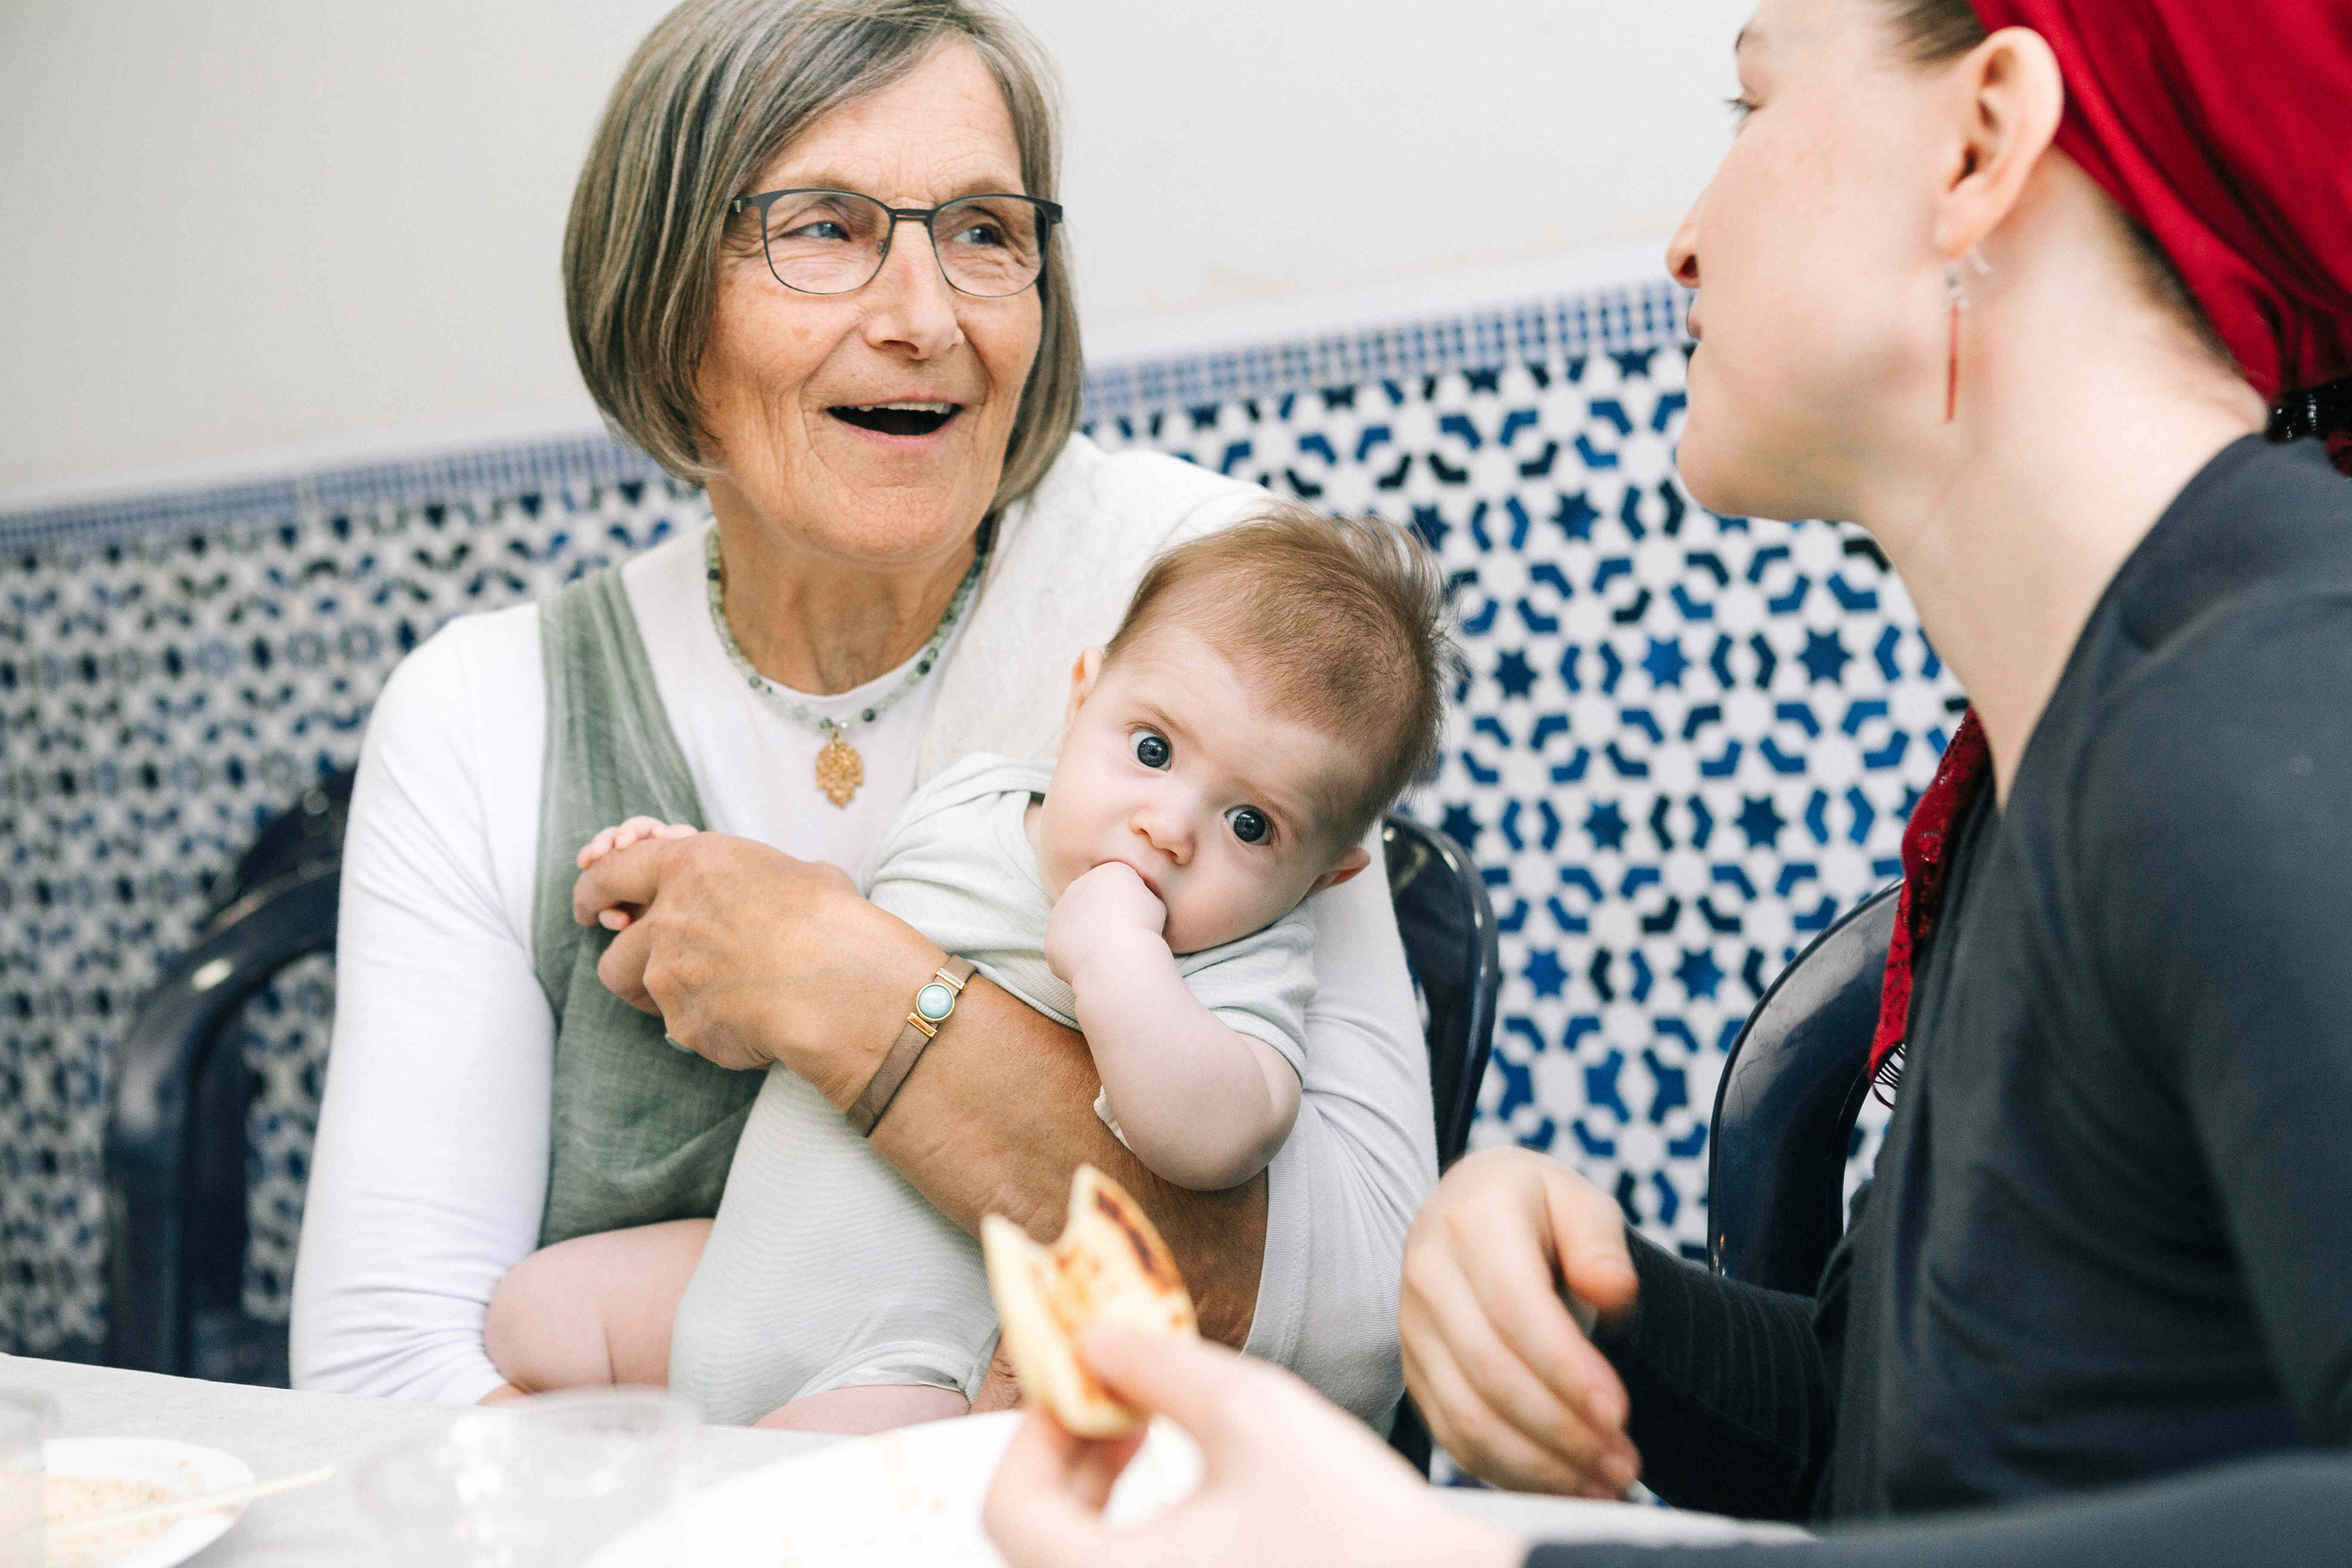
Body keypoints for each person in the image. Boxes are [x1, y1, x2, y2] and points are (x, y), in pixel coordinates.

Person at [983, 0, 2352, 1562]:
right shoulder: (2040, 784)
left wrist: (1458, 1554)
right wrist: (1602, 1302)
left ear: (1978, 148)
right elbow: (1908, 1455)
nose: (1685, 243)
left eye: (1748, 103)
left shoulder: (2265, 709)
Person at [288, 0, 1436, 1427]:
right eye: (821, 228)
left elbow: (1365, 1325)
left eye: (984, 230)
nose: (924, 318)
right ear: (663, 295)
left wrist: (838, 977)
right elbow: (382, 1386)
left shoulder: (1206, 612)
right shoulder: (481, 711)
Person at [481, 510, 1453, 1431]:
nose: (1167, 827)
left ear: (1326, 873)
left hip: (900, 1360)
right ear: (1083, 696)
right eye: (1151, 749)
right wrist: (683, 876)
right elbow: (820, 944)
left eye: (1250, 825)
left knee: (768, 1507)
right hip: (746, 1272)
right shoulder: (972, 801)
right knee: (536, 1314)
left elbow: (1219, 1138)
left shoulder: (1245, 955)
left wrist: (1120, 962)